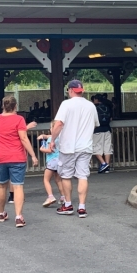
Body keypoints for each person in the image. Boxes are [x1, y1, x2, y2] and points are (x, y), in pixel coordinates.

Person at [51, 79, 99, 218]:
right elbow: (95, 124)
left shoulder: (66, 104)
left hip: (68, 147)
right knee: (83, 176)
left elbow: (59, 124)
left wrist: (53, 140)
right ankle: (82, 207)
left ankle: (68, 205)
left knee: (66, 176)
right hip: (85, 146)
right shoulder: (91, 106)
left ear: (70, 90)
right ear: (81, 91)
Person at [0, 95, 38, 227]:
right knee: (17, 186)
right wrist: (33, 155)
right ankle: (18, 216)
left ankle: (1, 213)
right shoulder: (19, 119)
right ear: (15, 106)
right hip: (16, 156)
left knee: (1, 185)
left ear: (3, 106)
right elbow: (23, 138)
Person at [38, 130, 65, 208]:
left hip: (52, 161)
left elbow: (50, 150)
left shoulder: (51, 139)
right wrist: (43, 136)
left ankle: (50, 196)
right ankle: (63, 197)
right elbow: (49, 136)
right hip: (59, 160)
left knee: (46, 179)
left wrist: (41, 149)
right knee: (58, 180)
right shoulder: (61, 138)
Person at [91, 93, 114, 173]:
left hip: (97, 130)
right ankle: (107, 166)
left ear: (96, 100)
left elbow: (93, 120)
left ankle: (103, 163)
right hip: (107, 129)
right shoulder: (108, 107)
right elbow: (111, 118)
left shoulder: (94, 108)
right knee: (107, 148)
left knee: (95, 147)